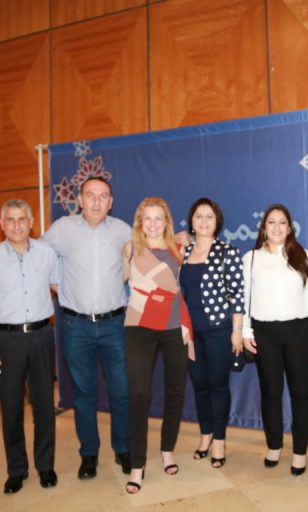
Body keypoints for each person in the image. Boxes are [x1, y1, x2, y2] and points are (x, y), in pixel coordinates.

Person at [0, 177, 132, 479]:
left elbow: (152, 245)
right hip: (76, 326)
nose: (96, 201)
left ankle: (124, 449)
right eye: (90, 195)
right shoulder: (62, 229)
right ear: (80, 199)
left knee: (121, 391)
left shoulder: (123, 230)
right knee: (84, 394)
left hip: (114, 324)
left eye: (103, 196)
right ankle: (89, 454)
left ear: (111, 202)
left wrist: (179, 239)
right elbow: (25, 246)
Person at [0, 199, 60, 494]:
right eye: (10, 219)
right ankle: (17, 470)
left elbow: (61, 286)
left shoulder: (47, 253)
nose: (17, 225)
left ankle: (45, 466)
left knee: (44, 405)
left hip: (41, 336)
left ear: (31, 222)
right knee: (11, 408)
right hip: (5, 342)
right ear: (1, 224)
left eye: (22, 219)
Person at [242, 203, 308, 476]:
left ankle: (300, 451)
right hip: (264, 333)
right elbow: (244, 298)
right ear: (263, 228)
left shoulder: (303, 255)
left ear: (290, 228)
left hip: (298, 331)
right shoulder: (251, 258)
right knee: (271, 391)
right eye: (271, 222)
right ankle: (274, 445)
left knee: (301, 391)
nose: (277, 228)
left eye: (282, 222)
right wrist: (246, 331)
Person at [122, 197, 193, 494]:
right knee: (139, 394)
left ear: (166, 222)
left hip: (174, 325)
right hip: (139, 326)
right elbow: (120, 279)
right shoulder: (130, 248)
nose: (152, 224)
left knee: (175, 391)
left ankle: (167, 450)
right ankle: (137, 464)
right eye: (147, 218)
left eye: (158, 218)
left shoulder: (178, 247)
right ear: (139, 222)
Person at [179, 198, 244, 468]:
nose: (204, 221)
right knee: (200, 385)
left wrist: (237, 331)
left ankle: (219, 440)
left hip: (219, 331)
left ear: (217, 222)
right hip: (190, 334)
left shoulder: (227, 252)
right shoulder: (183, 252)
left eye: (209, 216)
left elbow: (238, 295)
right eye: (199, 216)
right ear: (191, 222)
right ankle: (205, 434)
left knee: (218, 385)